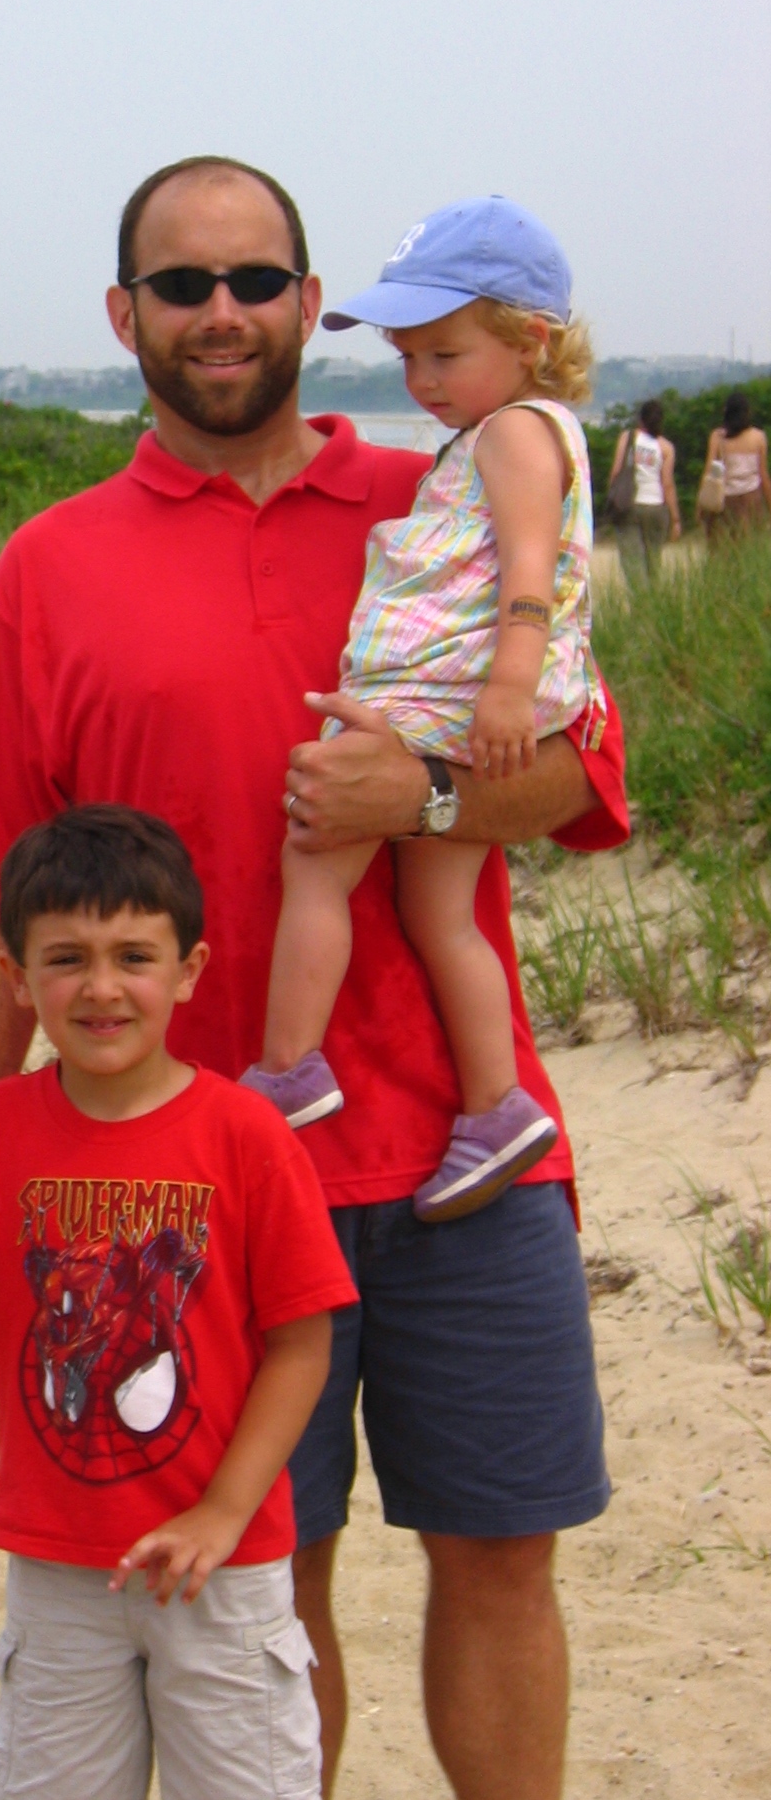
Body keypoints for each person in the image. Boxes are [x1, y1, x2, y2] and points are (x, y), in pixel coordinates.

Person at [0, 156, 630, 1800]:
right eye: (181, 284)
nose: (218, 313)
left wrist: (419, 799)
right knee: (260, 1582)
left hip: (467, 1150)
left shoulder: (443, 488)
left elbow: (585, 777)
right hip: (184, 1184)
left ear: (309, 303)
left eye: (252, 281)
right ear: (123, 316)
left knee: (500, 1556)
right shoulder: (46, 568)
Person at [0, 807, 358, 1800]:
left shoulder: (246, 1134)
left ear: (189, 970)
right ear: (17, 977)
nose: (102, 987)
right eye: (66, 959)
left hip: (222, 1571)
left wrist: (222, 1512)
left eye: (133, 956)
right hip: (60, 1566)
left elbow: (303, 1342)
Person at [245, 199, 603, 1224]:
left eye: (445, 354)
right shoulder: (503, 432)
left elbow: (532, 567)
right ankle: (495, 1104)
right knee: (440, 914)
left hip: (443, 694)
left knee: (316, 855)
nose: (422, 381)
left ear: (531, 340)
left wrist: (508, 686)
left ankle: (288, 1066)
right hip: (464, 696)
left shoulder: (514, 432)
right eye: (408, 358)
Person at [607, 397, 679, 581]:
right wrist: (675, 518)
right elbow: (667, 484)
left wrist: (612, 498)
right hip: (656, 507)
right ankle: (652, 597)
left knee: (632, 562)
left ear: (641, 419)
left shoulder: (628, 438)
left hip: (630, 505)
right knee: (653, 562)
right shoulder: (666, 447)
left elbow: (616, 472)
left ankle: (639, 596)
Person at [702, 387, 769, 539]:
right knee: (751, 544)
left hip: (725, 500)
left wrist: (702, 503)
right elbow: (763, 475)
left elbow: (709, 472)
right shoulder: (758, 437)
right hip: (752, 499)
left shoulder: (717, 437)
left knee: (724, 546)